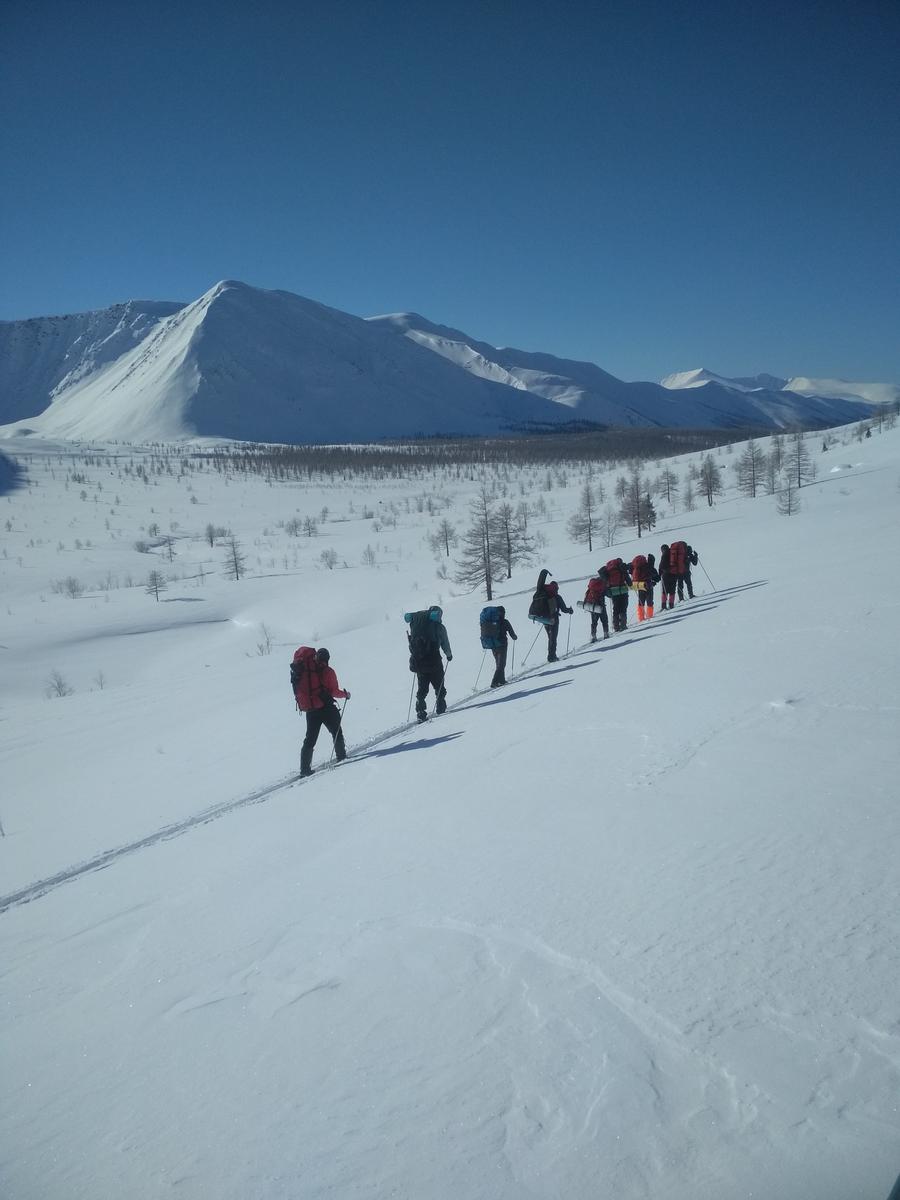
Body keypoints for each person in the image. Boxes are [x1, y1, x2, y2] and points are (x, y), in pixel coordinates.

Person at [290, 646, 350, 778]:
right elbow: (334, 691)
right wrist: (345, 695)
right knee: (336, 732)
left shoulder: (307, 671)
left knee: (310, 739)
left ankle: (305, 769)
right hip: (326, 707)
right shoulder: (328, 671)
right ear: (327, 659)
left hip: (311, 710)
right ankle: (341, 756)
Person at [405, 605, 452, 722]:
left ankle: (420, 710)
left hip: (419, 661)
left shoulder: (415, 625)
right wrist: (448, 654)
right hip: (434, 660)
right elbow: (444, 642)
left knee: (422, 688)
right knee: (439, 683)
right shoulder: (439, 627)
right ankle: (440, 706)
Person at [488, 605, 517, 687]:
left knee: (499, 662)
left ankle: (502, 680)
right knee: (501, 664)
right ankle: (494, 682)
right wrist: (514, 637)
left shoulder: (492, 622)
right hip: (502, 645)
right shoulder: (505, 622)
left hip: (493, 646)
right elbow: (512, 633)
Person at [604, 557, 632, 632]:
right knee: (623, 608)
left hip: (614, 592)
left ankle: (616, 626)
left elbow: (606, 581)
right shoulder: (622, 568)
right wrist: (629, 583)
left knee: (616, 609)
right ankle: (623, 625)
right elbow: (629, 582)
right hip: (623, 590)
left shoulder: (609, 569)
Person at [582, 570, 609, 641]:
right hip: (600, 605)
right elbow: (608, 594)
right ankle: (606, 633)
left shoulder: (592, 584)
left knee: (594, 622)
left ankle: (593, 636)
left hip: (592, 605)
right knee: (604, 620)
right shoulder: (602, 585)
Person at [659, 543, 676, 610]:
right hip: (674, 574)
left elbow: (661, 566)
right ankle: (671, 605)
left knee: (665, 591)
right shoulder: (673, 553)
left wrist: (660, 574)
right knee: (672, 590)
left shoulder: (664, 555)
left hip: (666, 575)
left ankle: (663, 606)